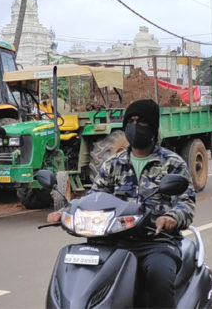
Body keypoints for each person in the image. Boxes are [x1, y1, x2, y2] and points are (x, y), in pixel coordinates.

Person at [47, 99, 195, 308]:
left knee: (159, 278)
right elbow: (94, 197)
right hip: (113, 240)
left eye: (141, 122)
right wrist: (65, 212)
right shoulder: (113, 164)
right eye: (131, 121)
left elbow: (186, 203)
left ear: (153, 127)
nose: (135, 127)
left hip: (155, 242)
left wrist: (171, 217)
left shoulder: (172, 163)